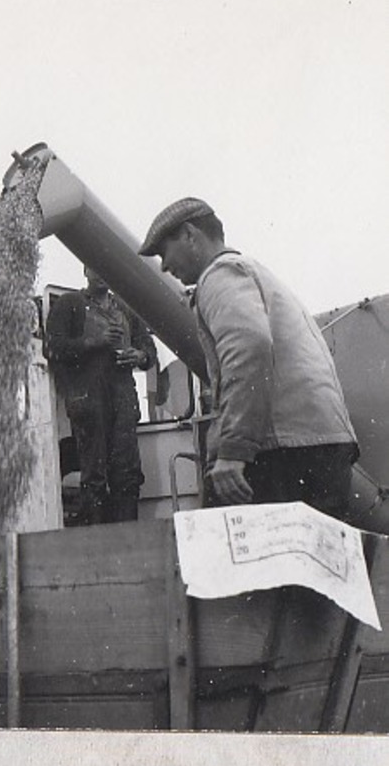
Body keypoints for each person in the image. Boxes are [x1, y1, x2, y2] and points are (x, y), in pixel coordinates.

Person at [138, 199, 358, 519]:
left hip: (283, 448)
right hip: (324, 441)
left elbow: (249, 347)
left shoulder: (219, 275)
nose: (163, 267)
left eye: (163, 252)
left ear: (189, 234)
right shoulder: (256, 275)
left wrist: (233, 450)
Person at [45, 266, 157, 523]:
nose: (101, 272)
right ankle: (97, 545)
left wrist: (138, 356)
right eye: (93, 266)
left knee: (128, 474)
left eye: (103, 264)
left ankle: (129, 541)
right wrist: (94, 342)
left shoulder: (126, 309)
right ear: (84, 270)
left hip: (123, 400)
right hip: (88, 402)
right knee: (94, 475)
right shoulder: (69, 304)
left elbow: (148, 349)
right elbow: (53, 348)